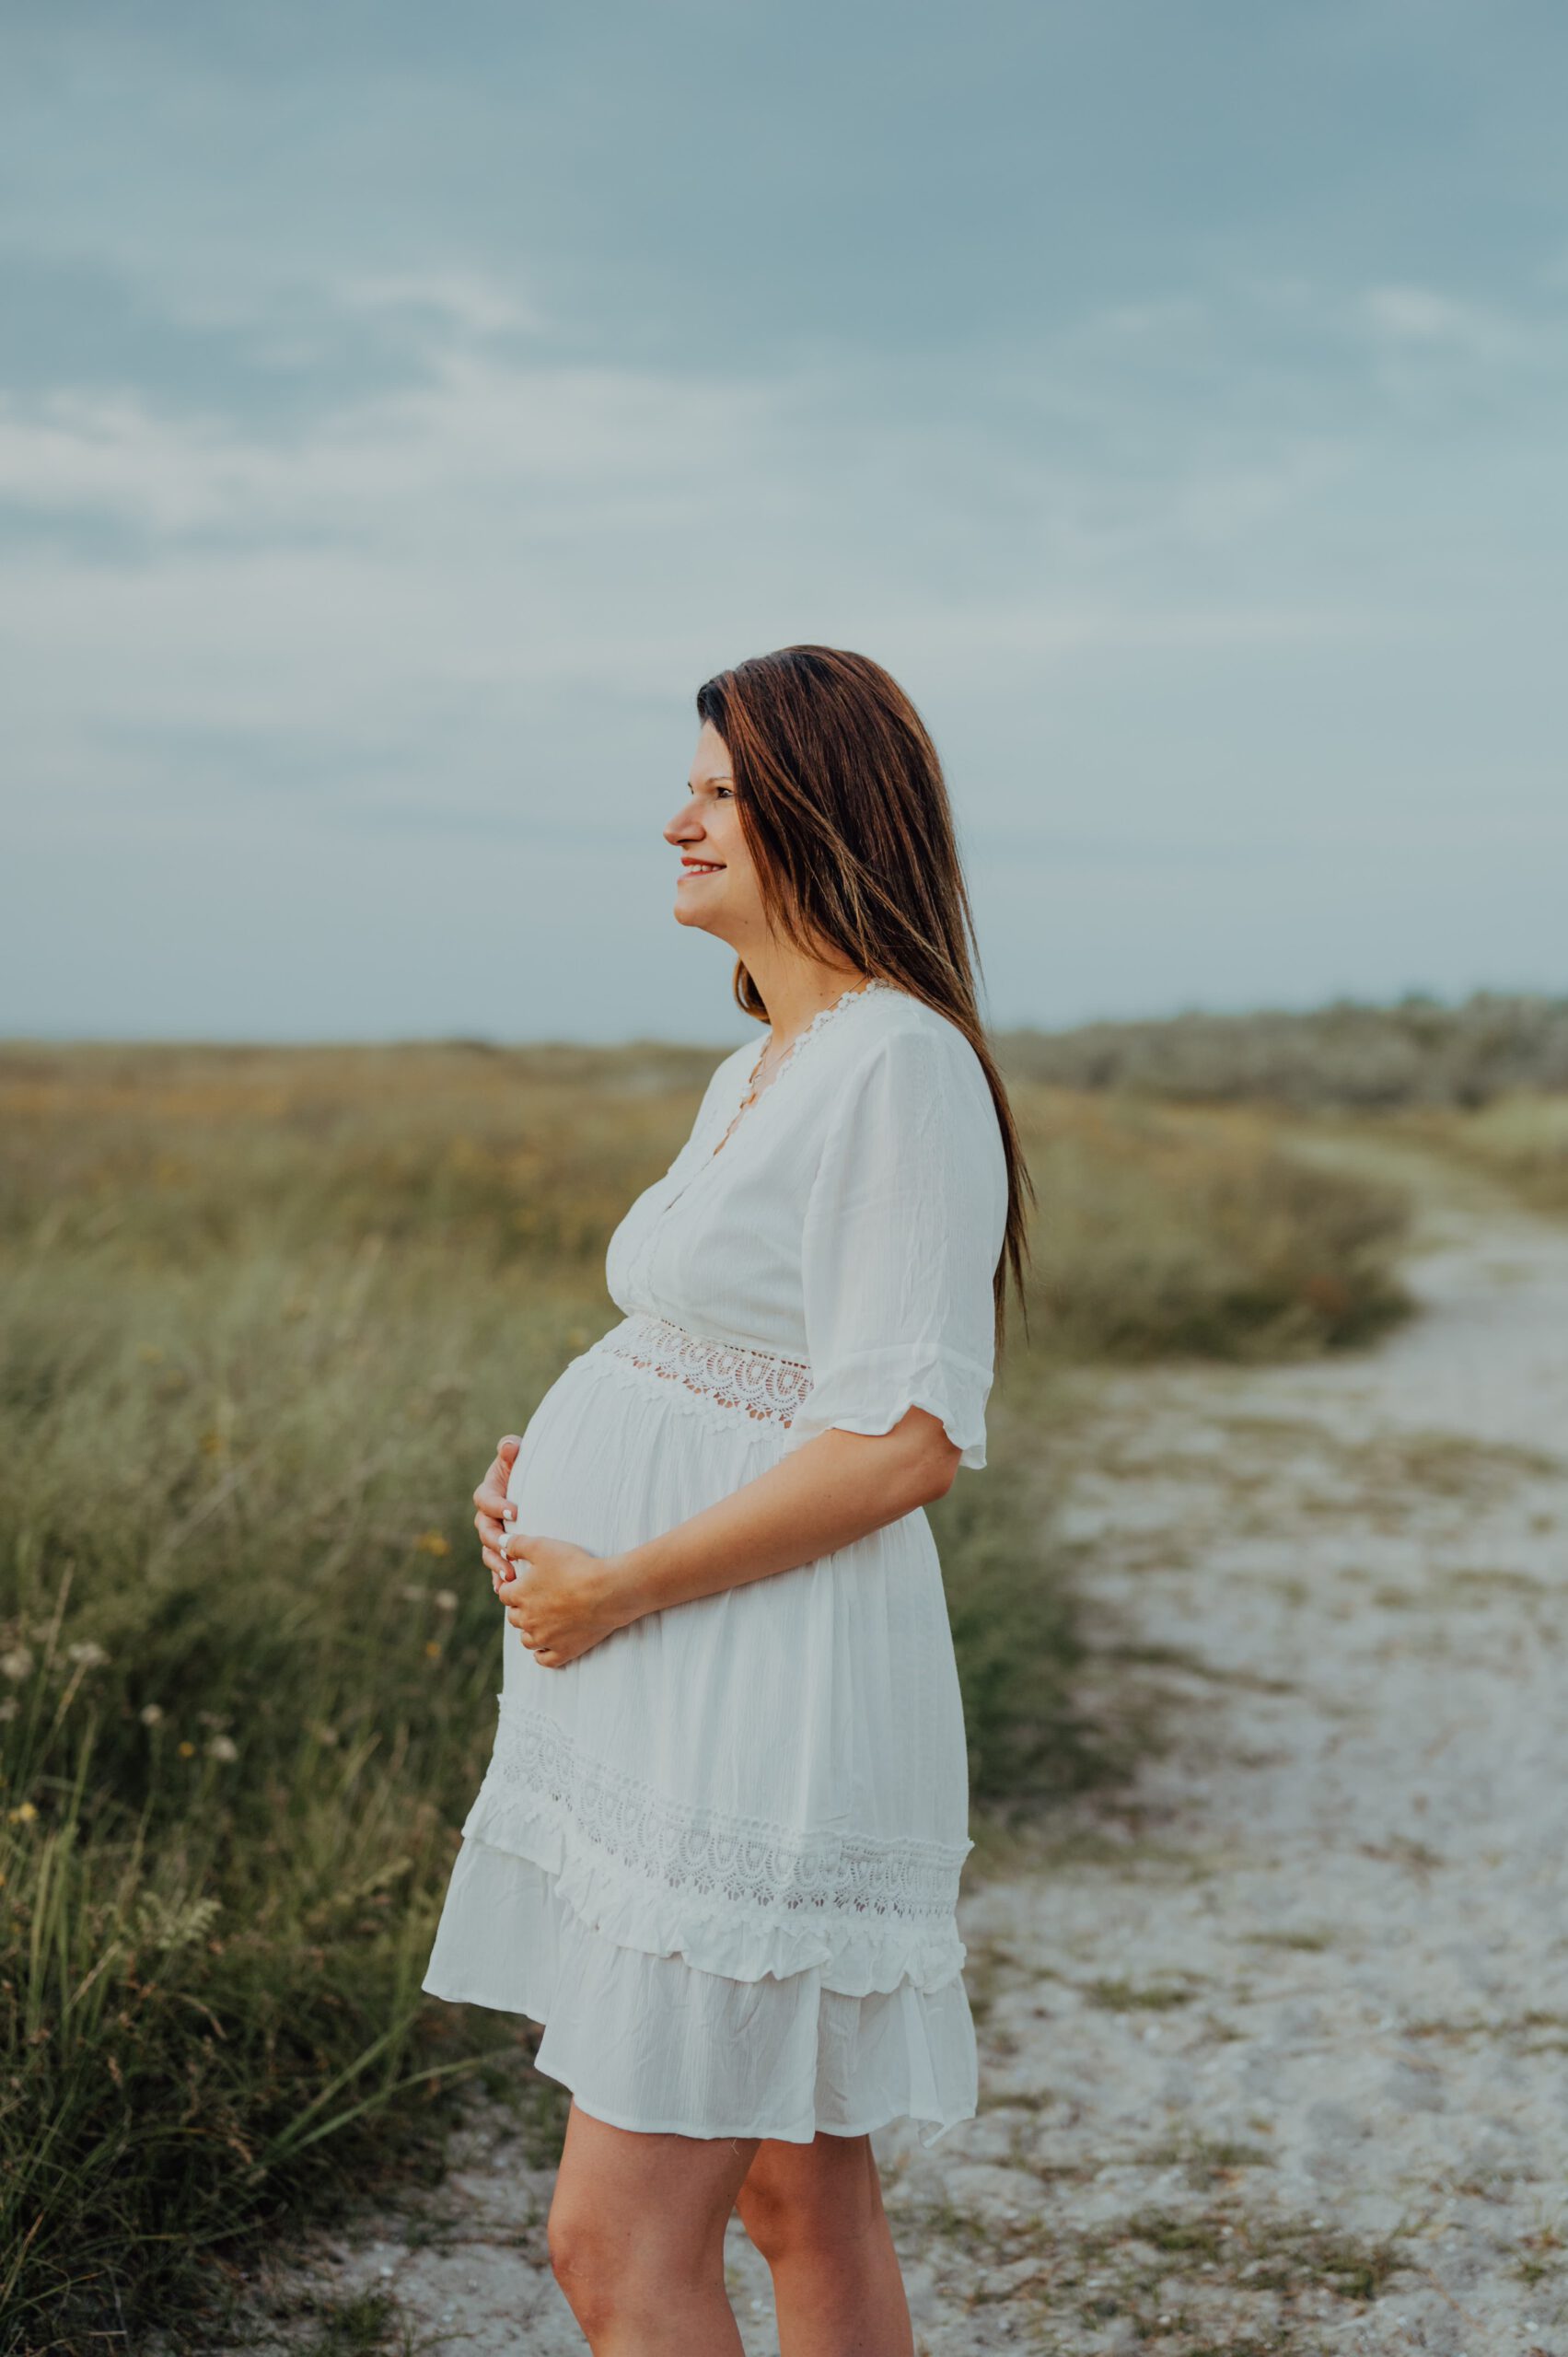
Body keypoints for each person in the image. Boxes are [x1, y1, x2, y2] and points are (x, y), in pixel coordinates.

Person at [423, 644, 1034, 2355]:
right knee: (792, 2192)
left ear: (818, 811)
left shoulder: (897, 1066)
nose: (674, 819)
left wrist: (621, 1583)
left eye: (713, 789)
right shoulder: (765, 1060)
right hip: (677, 1667)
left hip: (761, 1691)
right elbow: (720, 1363)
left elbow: (907, 1436)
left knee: (610, 2246)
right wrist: (552, 1484)